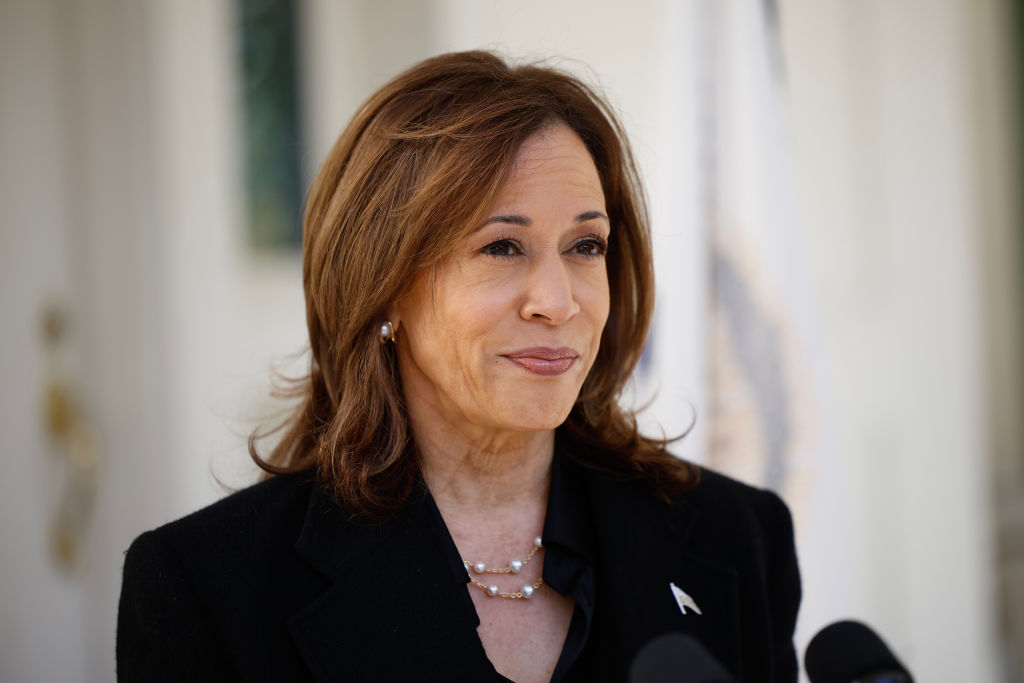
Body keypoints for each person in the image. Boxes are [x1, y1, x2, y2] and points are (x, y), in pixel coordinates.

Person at [116, 50, 800, 682]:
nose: (558, 301)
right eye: (503, 247)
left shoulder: (738, 538)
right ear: (383, 285)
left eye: (585, 245)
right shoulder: (206, 587)